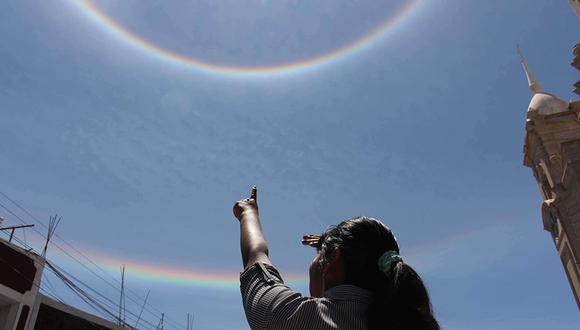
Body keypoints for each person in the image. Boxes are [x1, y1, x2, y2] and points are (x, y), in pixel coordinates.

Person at [234, 186, 439, 330]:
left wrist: (248, 212)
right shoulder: (410, 321)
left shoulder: (293, 319)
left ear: (333, 260)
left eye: (321, 258)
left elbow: (256, 258)